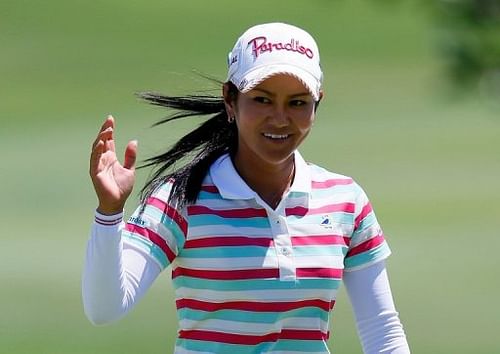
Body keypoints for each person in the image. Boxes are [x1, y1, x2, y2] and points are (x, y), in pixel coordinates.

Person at [83, 22, 410, 354]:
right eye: (262, 100)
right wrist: (109, 214)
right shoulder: (180, 198)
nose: (280, 119)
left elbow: (381, 330)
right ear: (230, 98)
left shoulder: (344, 200)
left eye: (297, 103)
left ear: (317, 103)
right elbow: (105, 309)